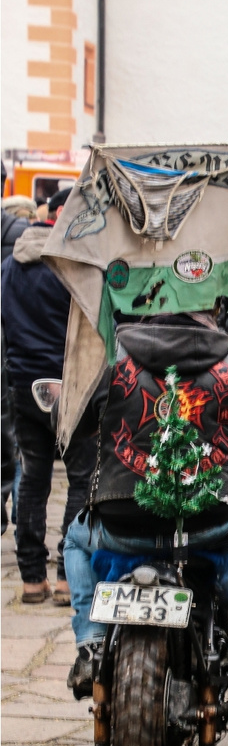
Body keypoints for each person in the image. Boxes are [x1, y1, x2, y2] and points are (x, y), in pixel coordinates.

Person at [63, 311, 228, 698]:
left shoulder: (107, 359)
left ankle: (91, 645)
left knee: (76, 539)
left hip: (123, 523)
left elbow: (68, 426)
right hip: (214, 522)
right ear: (215, 307)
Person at [1, 187, 96, 605]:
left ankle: (31, 579)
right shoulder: (68, 268)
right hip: (68, 386)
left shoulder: (8, 268)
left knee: (34, 479)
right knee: (79, 479)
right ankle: (66, 577)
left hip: (23, 385)